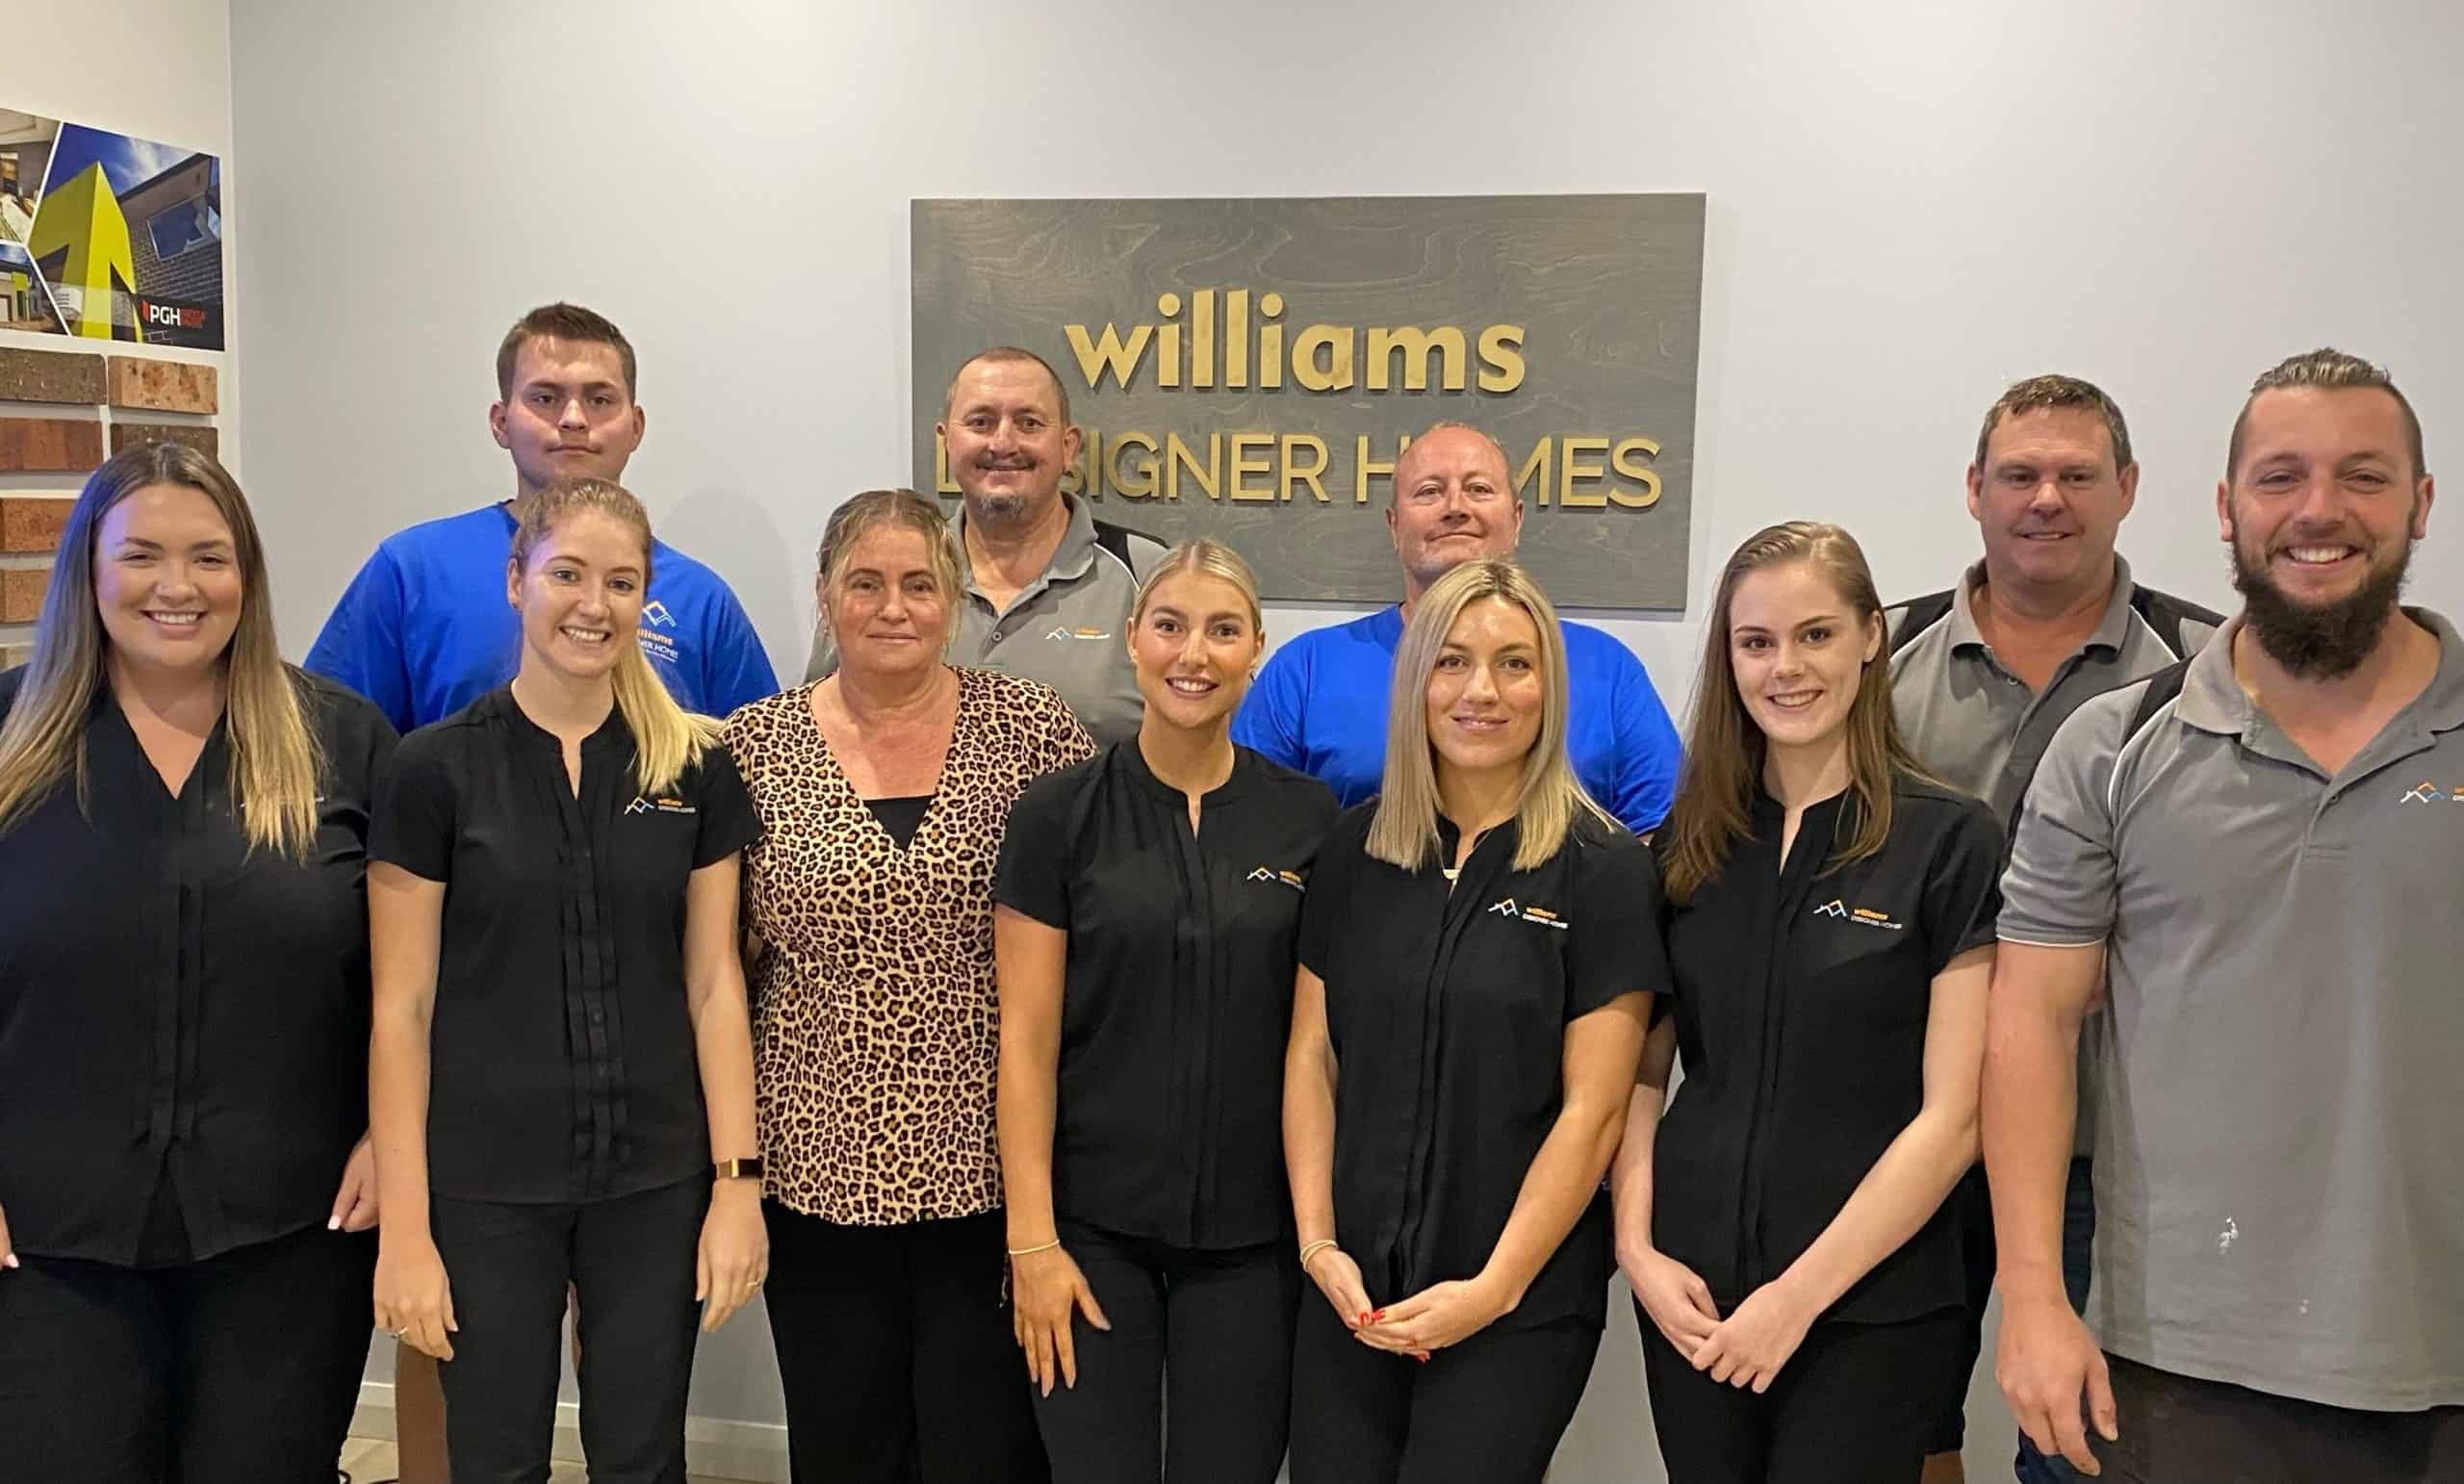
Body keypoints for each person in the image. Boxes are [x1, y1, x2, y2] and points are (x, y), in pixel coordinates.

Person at [1989, 348, 2464, 1483]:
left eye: (2362, 477)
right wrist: (2034, 1305)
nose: (2318, 511)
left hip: (2439, 1352)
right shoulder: (2110, 747)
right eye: (2280, 477)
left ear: (2421, 503)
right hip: (2168, 1355)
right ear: (2224, 505)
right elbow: (2031, 1028)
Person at [0, 444, 395, 1483]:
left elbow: (409, 987)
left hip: (293, 1228)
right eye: (142, 557)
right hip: (45, 1238)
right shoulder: (8, 741)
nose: (177, 588)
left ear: (248, 576)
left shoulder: (342, 743)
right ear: (87, 571)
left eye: (210, 558)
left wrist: (387, 1136)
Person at [366, 477, 767, 1482]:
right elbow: (400, 1011)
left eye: (622, 583)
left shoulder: (694, 769)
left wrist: (737, 1188)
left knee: (641, 1455)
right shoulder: (432, 771)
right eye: (568, 575)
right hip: (485, 1184)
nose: (594, 605)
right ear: (516, 583)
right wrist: (406, 1233)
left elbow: (715, 985)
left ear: (646, 601)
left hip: (655, 1179)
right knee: (495, 1459)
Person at [1883, 374, 2220, 1484]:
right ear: (1973, 491)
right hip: (1896, 1127)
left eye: (2077, 476)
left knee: (2082, 1446)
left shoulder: (2212, 672)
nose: (2046, 499)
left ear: (2126, 490)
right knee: (1896, 1432)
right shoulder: (1874, 663)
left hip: (2107, 1146)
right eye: (2019, 475)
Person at [1614, 521, 2002, 1484]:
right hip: (1690, 1294)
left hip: (1868, 1306)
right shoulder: (1686, 846)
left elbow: (1954, 1120)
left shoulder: (1948, 842)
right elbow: (1638, 1071)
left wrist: (1797, 1300)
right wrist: (1636, 1249)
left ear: (1871, 636)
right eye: (1757, 643)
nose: (1786, 668)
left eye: (1815, 635)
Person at [729, 488, 1093, 1482]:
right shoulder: (750, 749)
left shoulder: (1032, 734)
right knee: (845, 1447)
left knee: (987, 1452)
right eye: (866, 583)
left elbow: (1092, 939)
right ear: (824, 596)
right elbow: (718, 969)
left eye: (919, 585)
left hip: (990, 1177)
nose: (893, 607)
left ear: (954, 599)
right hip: (815, 1172)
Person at [1283, 559, 1657, 1484]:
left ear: (1550, 686)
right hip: (1352, 1287)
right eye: (1451, 662)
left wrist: (1493, 1290)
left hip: (1517, 1300)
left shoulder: (1603, 868)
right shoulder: (1354, 848)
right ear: (1416, 683)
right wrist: (1318, 1244)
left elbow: (1596, 1111)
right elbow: (1310, 1059)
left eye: (1514, 665)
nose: (1481, 692)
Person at [993, 538, 1337, 1482]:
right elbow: (1023, 1044)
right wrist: (1032, 1244)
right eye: (1171, 625)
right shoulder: (1059, 816)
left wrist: (1313, 1235)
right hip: (1089, 1236)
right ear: (1134, 644)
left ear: (1255, 649)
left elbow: (1316, 1046)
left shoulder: (1308, 821)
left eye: (1223, 630)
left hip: (1250, 1246)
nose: (1195, 653)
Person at [309, 300, 776, 731]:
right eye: (545, 398)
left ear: (635, 427)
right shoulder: (411, 571)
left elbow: (759, 774)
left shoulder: (702, 601)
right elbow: (331, 749)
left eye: (599, 400)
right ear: (501, 422)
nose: (573, 418)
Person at [1234, 422, 1681, 835]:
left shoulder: (1608, 669)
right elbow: (1248, 831)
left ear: (1517, 519)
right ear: (1394, 526)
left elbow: (1663, 834)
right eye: (1429, 492)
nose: (1455, 507)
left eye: (1479, 489)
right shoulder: (1306, 669)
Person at [802, 346, 1167, 743]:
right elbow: (816, 727)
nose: (1003, 442)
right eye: (981, 422)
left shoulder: (1146, 573)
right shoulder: (878, 581)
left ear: (1068, 446)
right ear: (946, 441)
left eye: (1029, 423)